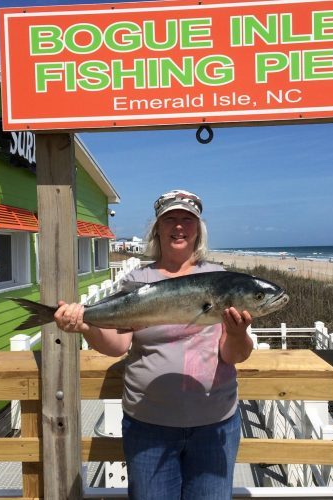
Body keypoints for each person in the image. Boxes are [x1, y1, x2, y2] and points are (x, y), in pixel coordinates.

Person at [54, 189, 254, 500]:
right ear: (157, 228)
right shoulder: (139, 279)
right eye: (170, 219)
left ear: (198, 229)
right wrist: (85, 326)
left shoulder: (220, 278)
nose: (178, 226)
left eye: (187, 220)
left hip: (214, 424)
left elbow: (233, 354)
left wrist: (239, 333)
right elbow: (117, 345)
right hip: (149, 423)